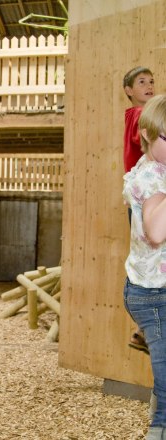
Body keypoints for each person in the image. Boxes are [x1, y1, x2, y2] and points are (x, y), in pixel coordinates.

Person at [122, 94, 166, 439]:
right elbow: (156, 232)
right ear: (149, 134)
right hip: (153, 295)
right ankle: (158, 428)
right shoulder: (151, 177)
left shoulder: (156, 168)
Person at [123, 67, 155, 355]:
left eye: (152, 81)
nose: (149, 85)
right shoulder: (138, 116)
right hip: (143, 200)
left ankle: (142, 331)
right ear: (129, 91)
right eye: (141, 82)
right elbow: (145, 139)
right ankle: (143, 328)